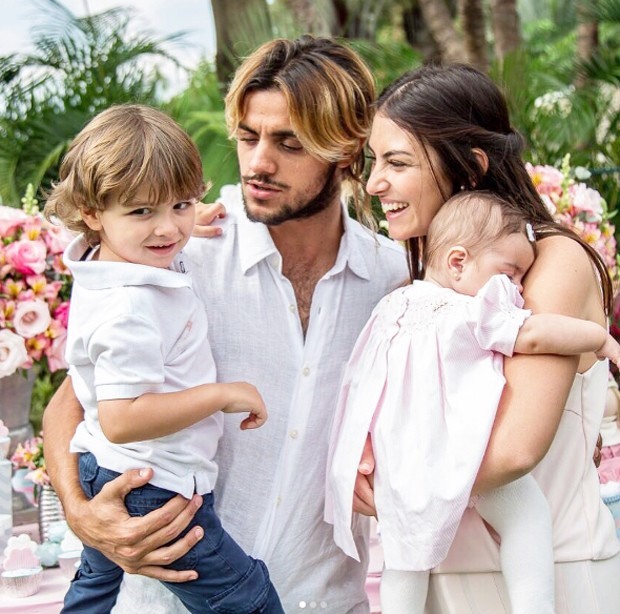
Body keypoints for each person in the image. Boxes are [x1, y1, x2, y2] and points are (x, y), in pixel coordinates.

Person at [42, 37, 408, 613]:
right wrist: (83, 514)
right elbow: (72, 404)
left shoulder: (392, 280)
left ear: (346, 149)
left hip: (326, 599)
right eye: (247, 137)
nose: (258, 163)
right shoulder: (180, 256)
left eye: (289, 143)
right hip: (165, 600)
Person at [352, 64, 620, 613]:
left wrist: (396, 481)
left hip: (547, 582)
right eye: (373, 162)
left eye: (397, 162)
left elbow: (515, 448)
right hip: (443, 579)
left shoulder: (551, 264)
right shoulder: (423, 294)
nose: (376, 181)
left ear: (470, 167)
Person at [43, 104, 284, 614]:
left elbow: (147, 226)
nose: (167, 228)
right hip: (155, 483)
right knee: (247, 600)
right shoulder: (130, 306)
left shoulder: (103, 261)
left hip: (105, 467)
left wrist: (172, 223)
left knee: (93, 591)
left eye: (180, 203)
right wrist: (224, 394)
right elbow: (123, 418)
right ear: (91, 212)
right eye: (142, 212)